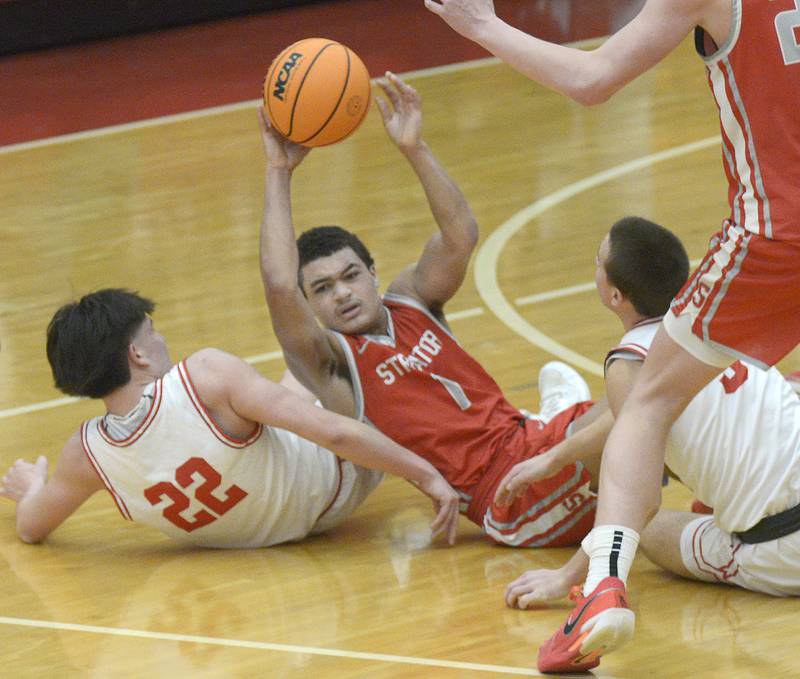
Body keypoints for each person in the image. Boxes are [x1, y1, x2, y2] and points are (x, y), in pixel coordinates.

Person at [427, 0, 800, 670]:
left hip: (777, 230)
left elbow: (592, 79)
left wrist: (481, 26)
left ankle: (601, 588)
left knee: (651, 400)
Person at [259, 71, 609, 549]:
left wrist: (414, 148)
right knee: (644, 417)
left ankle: (717, 503)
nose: (341, 294)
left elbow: (460, 235)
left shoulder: (411, 300)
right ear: (311, 305)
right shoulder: (332, 363)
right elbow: (279, 285)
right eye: (321, 289)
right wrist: (279, 172)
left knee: (651, 397)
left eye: (350, 276)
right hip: (509, 493)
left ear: (372, 273)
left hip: (536, 440)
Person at [494, 217, 800, 672]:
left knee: (651, 534)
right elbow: (637, 415)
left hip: (783, 549)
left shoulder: (627, 362)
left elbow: (640, 501)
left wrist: (567, 575)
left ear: (615, 295)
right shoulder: (719, 317)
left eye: (598, 261)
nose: (594, 265)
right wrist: (555, 457)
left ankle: (601, 596)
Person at [0, 289, 460, 548]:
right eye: (152, 333)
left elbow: (31, 527)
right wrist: (426, 475)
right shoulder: (204, 377)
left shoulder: (86, 453)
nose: (162, 341)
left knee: (289, 381)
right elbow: (336, 432)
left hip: (272, 524)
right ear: (137, 353)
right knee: (387, 333)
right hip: (336, 484)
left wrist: (33, 489)